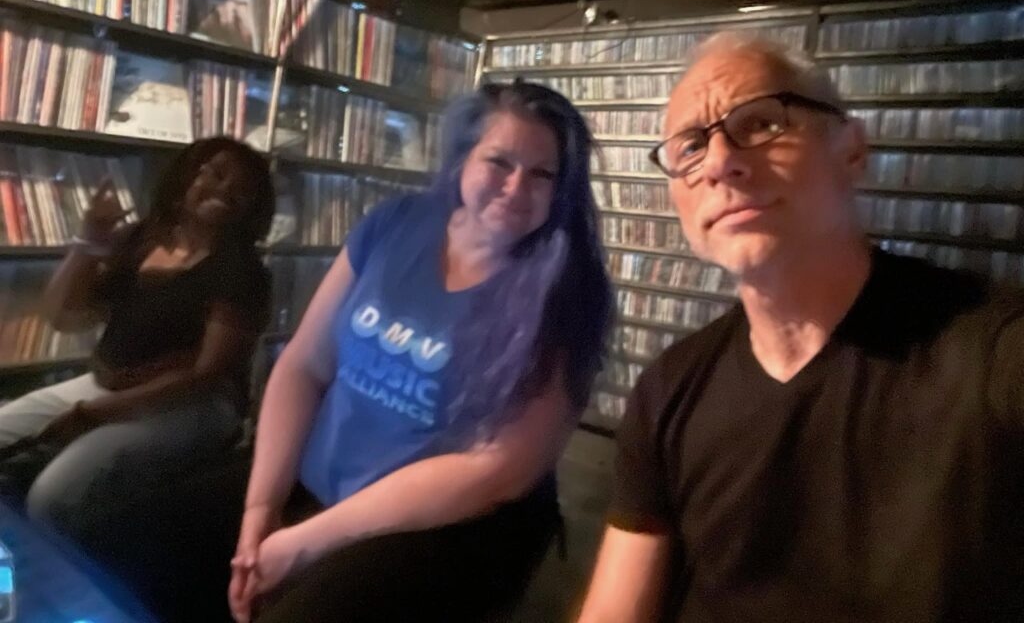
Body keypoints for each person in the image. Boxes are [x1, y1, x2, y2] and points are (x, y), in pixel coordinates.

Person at [578, 33, 1024, 623]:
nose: (719, 163)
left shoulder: (994, 351)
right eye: (690, 146)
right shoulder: (667, 389)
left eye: (761, 123)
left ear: (851, 150)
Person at [228, 80, 614, 623]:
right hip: (314, 479)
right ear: (462, 159)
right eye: (499, 162)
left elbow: (496, 472)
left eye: (542, 174)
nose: (516, 187)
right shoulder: (395, 223)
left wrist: (302, 543)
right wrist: (260, 507)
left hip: (439, 525)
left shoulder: (570, 294)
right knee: (137, 538)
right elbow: (305, 364)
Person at [0, 136, 274, 548]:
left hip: (193, 407)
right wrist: (89, 242)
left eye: (243, 189)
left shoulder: (243, 272)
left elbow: (206, 375)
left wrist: (95, 413)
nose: (226, 191)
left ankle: (49, 582)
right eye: (216, 174)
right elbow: (62, 316)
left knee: (52, 498)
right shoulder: (142, 239)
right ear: (185, 177)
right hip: (107, 387)